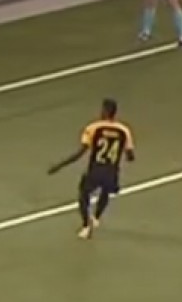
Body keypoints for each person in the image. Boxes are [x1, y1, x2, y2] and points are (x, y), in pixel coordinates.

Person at [47, 99, 135, 239]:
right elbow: (130, 156)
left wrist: (59, 165)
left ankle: (86, 225)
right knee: (106, 191)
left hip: (96, 169)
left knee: (84, 194)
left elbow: (80, 153)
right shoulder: (124, 130)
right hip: (111, 171)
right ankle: (96, 217)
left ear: (104, 111)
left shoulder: (93, 128)